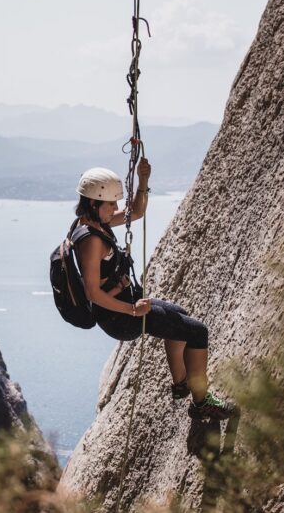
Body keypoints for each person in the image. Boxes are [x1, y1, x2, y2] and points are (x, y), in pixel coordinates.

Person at [72, 160, 235, 421]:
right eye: (111, 204)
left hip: (126, 305)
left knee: (179, 315)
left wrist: (143, 179)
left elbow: (135, 212)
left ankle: (181, 383)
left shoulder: (93, 223)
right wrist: (132, 310)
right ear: (94, 203)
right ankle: (201, 402)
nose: (115, 208)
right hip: (121, 317)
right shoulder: (90, 240)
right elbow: (92, 293)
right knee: (197, 331)